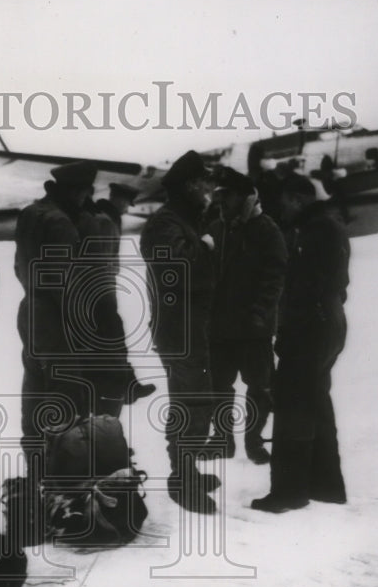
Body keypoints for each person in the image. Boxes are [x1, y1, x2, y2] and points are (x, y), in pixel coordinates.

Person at [251, 174, 351, 514]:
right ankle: (326, 485)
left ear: (298, 199)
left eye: (286, 201)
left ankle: (289, 492)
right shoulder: (330, 224)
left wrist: (287, 327)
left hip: (311, 325)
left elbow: (300, 285)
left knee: (293, 402)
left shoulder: (314, 231)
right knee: (316, 399)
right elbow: (342, 282)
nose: (282, 208)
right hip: (330, 322)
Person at [139, 150, 220, 514]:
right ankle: (181, 478)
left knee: (194, 402)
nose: (209, 189)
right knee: (191, 404)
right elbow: (181, 271)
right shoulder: (164, 225)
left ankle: (187, 467)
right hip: (179, 331)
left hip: (192, 328)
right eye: (204, 182)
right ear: (189, 185)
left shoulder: (183, 219)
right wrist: (206, 244)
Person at [14, 162, 94, 477]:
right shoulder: (61, 223)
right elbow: (64, 282)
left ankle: (35, 467)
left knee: (34, 389)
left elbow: (20, 266)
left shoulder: (30, 214)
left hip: (30, 310)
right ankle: (61, 476)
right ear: (79, 190)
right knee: (65, 394)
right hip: (55, 316)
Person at [207, 167, 287, 464]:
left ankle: (254, 442)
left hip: (254, 328)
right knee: (218, 386)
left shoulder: (266, 229)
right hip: (220, 329)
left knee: (259, 388)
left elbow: (275, 275)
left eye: (226, 195)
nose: (221, 201)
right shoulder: (216, 229)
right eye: (218, 196)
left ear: (243, 197)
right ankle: (222, 440)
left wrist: (260, 312)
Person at [75, 183, 155, 417]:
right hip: (99, 290)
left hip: (101, 288)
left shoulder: (107, 217)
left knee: (111, 343)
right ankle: (126, 387)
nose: (125, 209)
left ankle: (128, 384)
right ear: (117, 199)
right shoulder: (105, 220)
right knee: (112, 340)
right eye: (124, 204)